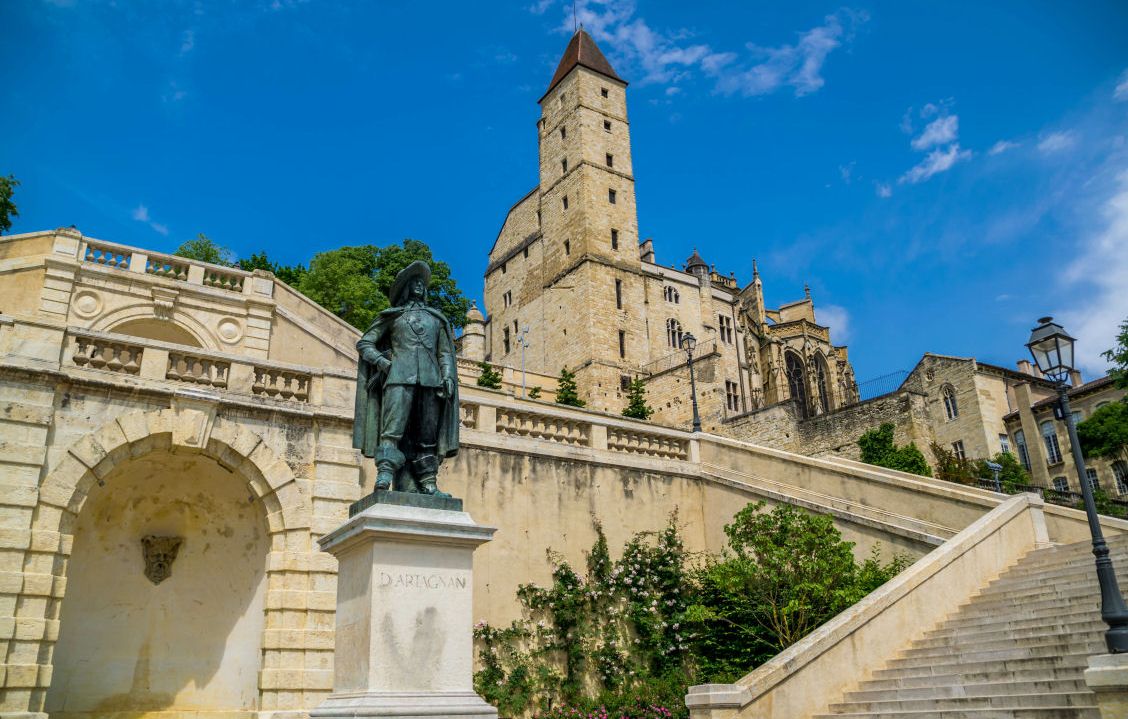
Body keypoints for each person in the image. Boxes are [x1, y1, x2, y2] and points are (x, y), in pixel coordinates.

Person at [352, 260, 459, 497]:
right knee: (392, 431)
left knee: (427, 436)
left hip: (432, 382)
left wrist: (449, 376)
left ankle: (428, 482)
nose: (419, 285)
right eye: (414, 282)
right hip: (399, 377)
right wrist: (382, 362)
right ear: (405, 288)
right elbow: (365, 343)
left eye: (422, 282)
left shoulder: (436, 319)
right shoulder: (393, 317)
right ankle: (385, 474)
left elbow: (444, 353)